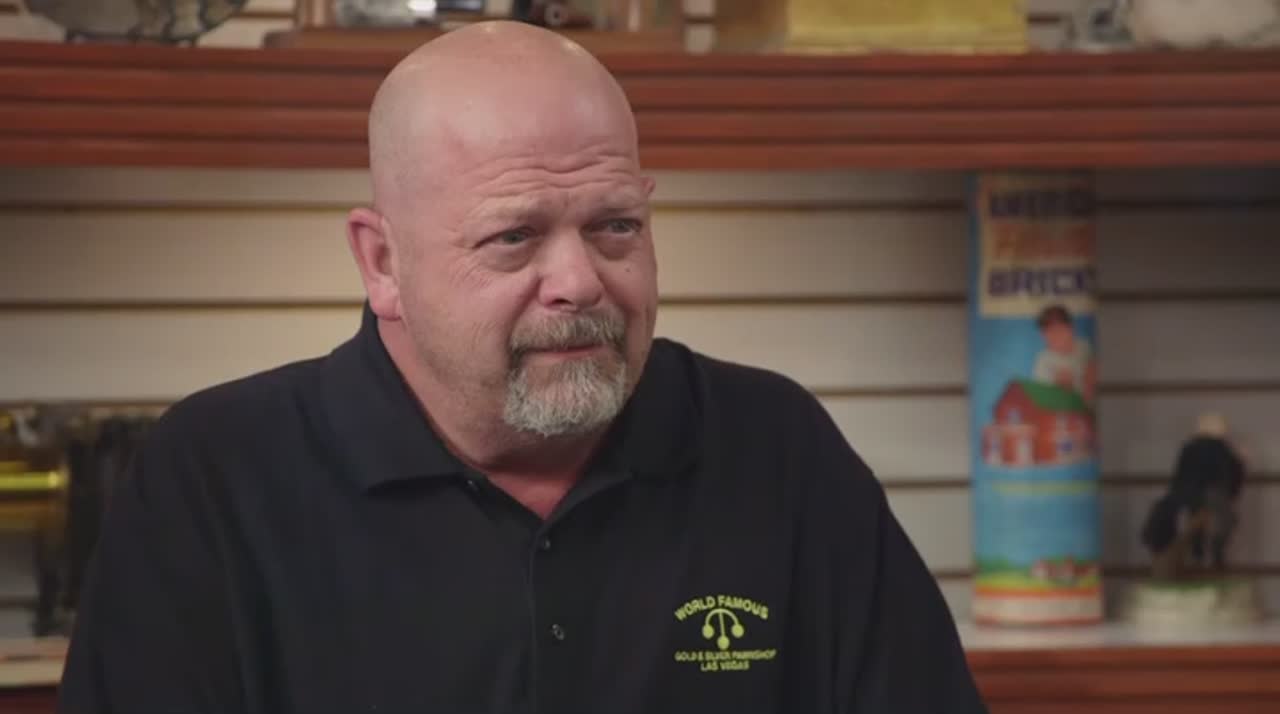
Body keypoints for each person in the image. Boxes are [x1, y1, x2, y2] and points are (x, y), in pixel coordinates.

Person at [57, 21, 986, 714]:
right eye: (514, 237)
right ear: (383, 264)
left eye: (615, 226)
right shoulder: (213, 482)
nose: (579, 282)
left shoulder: (777, 450)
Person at [1031, 304, 1096, 403]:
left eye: (1058, 330)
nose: (1053, 337)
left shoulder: (1085, 348)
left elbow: (1091, 388)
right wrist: (1060, 388)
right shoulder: (1043, 359)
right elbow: (1040, 397)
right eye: (1047, 333)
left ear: (1070, 328)